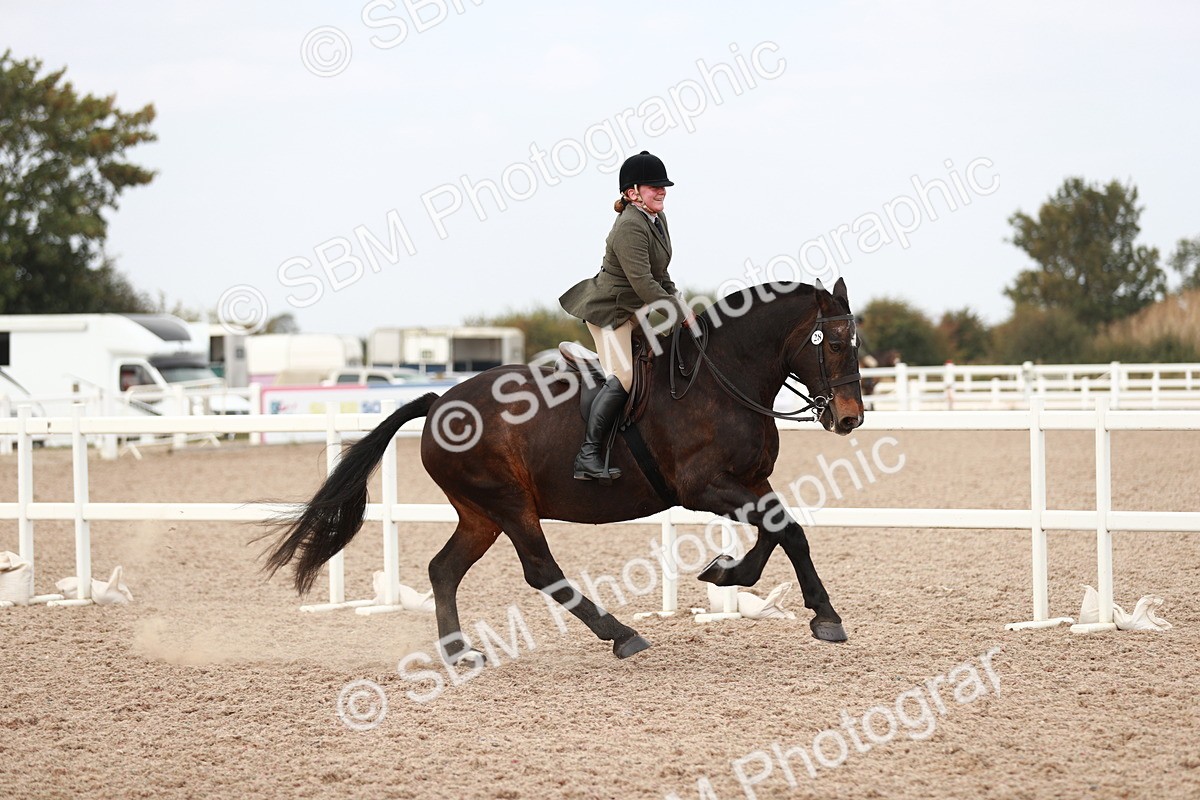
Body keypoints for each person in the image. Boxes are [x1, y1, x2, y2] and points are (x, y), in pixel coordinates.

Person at [559, 151, 696, 482]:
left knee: (665, 356)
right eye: (654, 187)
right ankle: (587, 456)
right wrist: (679, 313)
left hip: (638, 308)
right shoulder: (630, 226)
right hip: (611, 312)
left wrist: (680, 302)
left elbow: (661, 276)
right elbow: (645, 284)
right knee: (624, 377)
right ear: (632, 192)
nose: (661, 191)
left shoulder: (657, 219)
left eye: (663, 186)